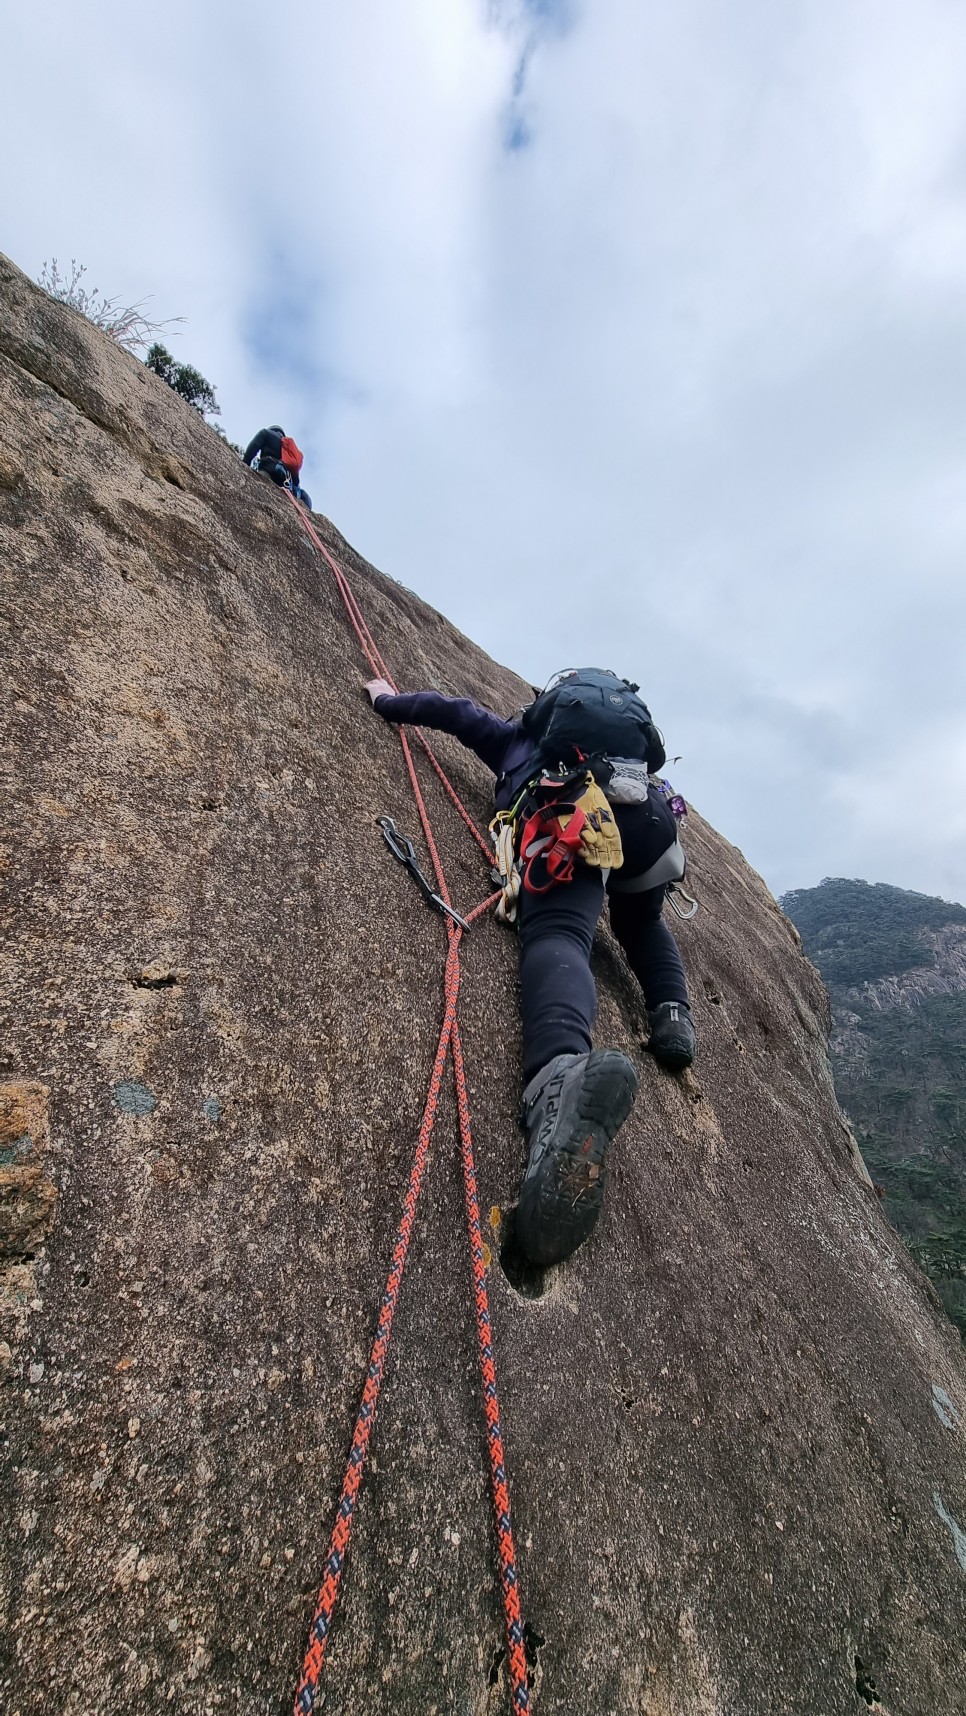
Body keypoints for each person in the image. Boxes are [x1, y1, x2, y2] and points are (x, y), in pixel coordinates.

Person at [365, 670, 697, 1268]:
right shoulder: (625, 758)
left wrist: (388, 700)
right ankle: (672, 1013)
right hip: (649, 821)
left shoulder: (522, 743)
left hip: (575, 817)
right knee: (643, 923)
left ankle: (559, 1077)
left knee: (560, 932)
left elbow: (454, 712)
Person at [242, 425, 309, 502]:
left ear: (272, 430)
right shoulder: (289, 447)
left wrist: (245, 464)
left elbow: (253, 446)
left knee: (259, 490)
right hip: (286, 481)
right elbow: (296, 479)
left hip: (268, 470)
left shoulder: (266, 433)